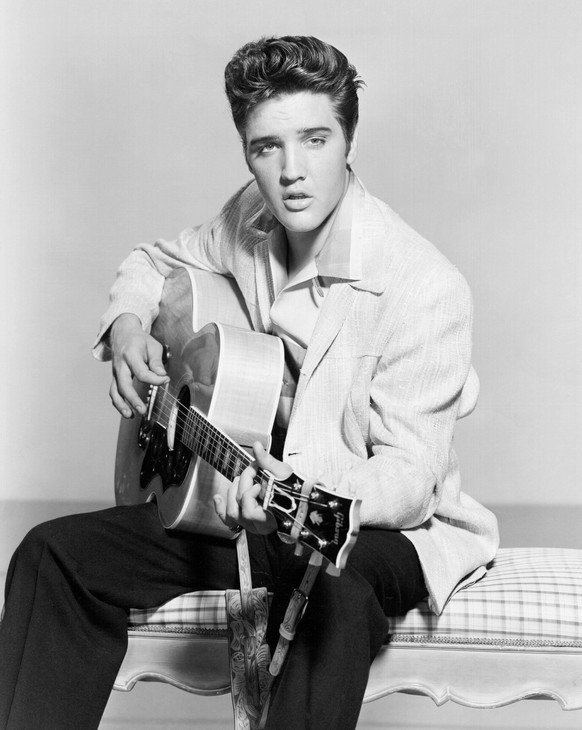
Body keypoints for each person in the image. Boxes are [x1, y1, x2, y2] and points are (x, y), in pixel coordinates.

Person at [0, 36, 499, 730]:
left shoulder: (423, 284)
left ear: (349, 139)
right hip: (240, 495)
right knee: (51, 555)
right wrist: (126, 326)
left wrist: (299, 492)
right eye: (267, 148)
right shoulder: (251, 218)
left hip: (379, 524)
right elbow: (154, 259)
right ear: (246, 151)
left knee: (331, 590)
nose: (293, 172)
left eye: (315, 140)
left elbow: (410, 478)